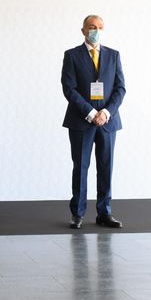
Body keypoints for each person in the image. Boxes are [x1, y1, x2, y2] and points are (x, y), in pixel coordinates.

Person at [61, 14, 126, 229]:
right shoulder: (71, 55)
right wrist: (90, 113)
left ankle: (104, 213)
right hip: (81, 121)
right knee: (81, 166)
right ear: (83, 30)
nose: (95, 30)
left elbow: (120, 88)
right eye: (91, 27)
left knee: (106, 167)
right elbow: (69, 89)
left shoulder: (113, 55)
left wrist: (106, 112)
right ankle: (77, 213)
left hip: (108, 122)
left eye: (99, 27)